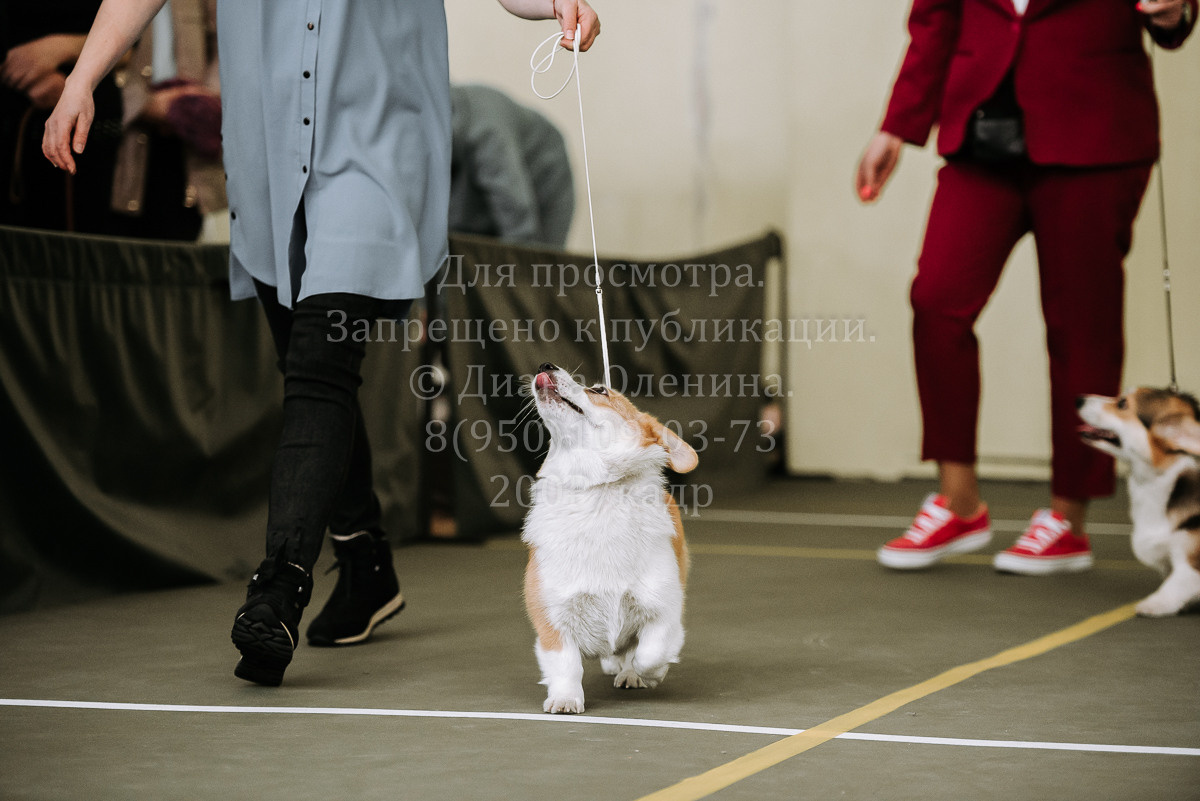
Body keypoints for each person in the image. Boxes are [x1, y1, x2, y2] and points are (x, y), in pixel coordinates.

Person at [43, 0, 601, 687]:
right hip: (269, 149)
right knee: (309, 368)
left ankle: (277, 589)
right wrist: (82, 80)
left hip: (375, 146)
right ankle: (366, 559)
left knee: (318, 365)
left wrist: (551, 2)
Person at [855, 0, 1196, 575]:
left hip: (1095, 136)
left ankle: (1068, 518)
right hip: (981, 135)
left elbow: (1172, 21)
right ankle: (959, 502)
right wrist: (897, 125)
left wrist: (1170, 11)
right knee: (936, 300)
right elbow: (935, 20)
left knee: (1081, 328)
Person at [1, 0, 123, 233]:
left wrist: (71, 70)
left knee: (83, 239)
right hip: (11, 108)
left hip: (91, 120)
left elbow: (130, 41)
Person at [108, 0, 225, 241]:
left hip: (190, 131)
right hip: (121, 130)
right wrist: (144, 104)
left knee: (178, 235)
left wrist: (202, 101)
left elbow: (225, 40)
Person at [449, 83, 575, 248]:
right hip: (479, 186)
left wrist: (521, 266)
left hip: (543, 177)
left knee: (542, 260)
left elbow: (517, 218)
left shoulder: (487, 128)